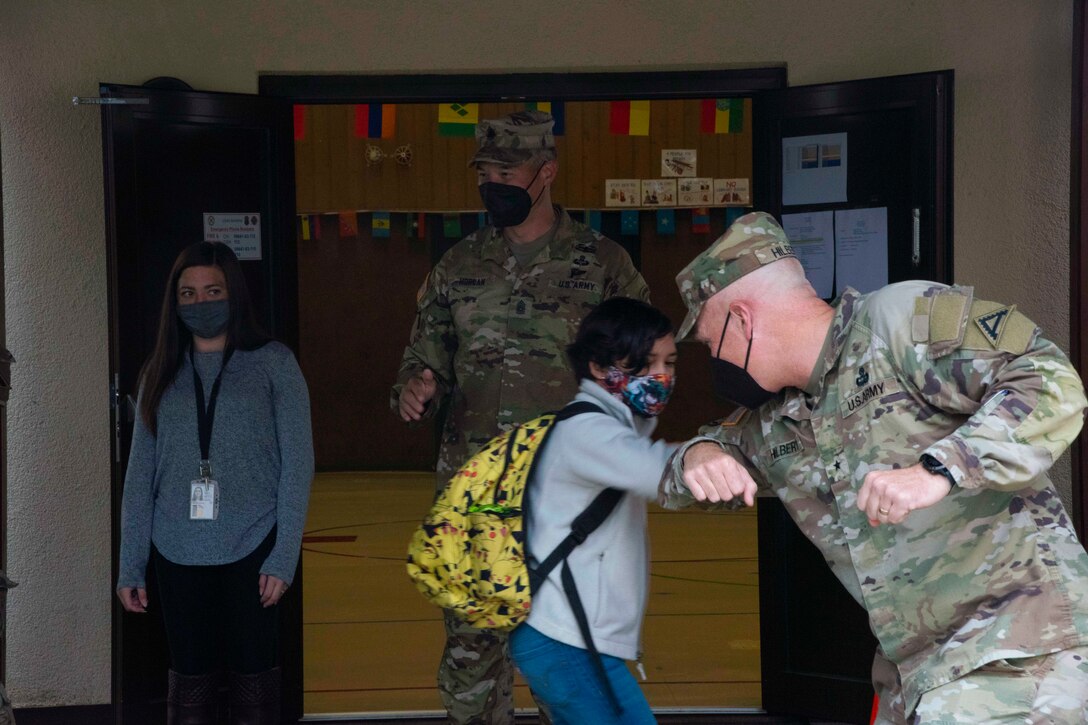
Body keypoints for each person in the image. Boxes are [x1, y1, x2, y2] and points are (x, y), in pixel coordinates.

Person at [657, 211, 1088, 724]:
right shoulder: (776, 417)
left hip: (1014, 651)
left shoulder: (898, 321)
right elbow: (679, 478)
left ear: (743, 320)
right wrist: (696, 455)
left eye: (710, 343)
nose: (714, 361)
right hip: (914, 672)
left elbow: (1048, 381)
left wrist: (940, 469)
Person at [392, 109, 650, 723]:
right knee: (472, 665)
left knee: (569, 666)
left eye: (507, 169)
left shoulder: (604, 265)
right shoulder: (458, 267)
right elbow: (422, 357)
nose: (493, 182)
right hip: (476, 505)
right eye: (485, 170)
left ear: (547, 172)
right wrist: (414, 386)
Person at [117, 242, 314, 725]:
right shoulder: (158, 371)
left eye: (212, 290)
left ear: (234, 294)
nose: (200, 302)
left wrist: (284, 556)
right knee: (190, 688)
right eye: (188, 293)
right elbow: (140, 474)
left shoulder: (274, 363)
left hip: (254, 546)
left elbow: (298, 464)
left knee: (254, 687)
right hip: (176, 550)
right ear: (175, 302)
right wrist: (130, 565)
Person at [510, 297, 678, 725]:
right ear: (599, 368)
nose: (661, 375)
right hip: (564, 641)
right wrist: (739, 453)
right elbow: (662, 473)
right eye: (644, 364)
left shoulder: (614, 424)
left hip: (566, 640)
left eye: (670, 362)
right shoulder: (589, 430)